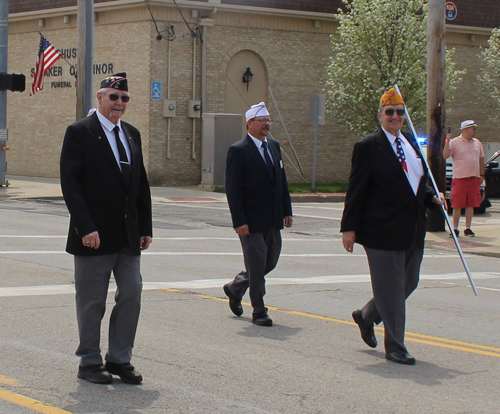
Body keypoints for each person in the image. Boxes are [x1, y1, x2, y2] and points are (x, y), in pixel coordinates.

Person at [340, 88, 445, 365]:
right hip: (381, 231)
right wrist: (348, 228)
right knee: (392, 290)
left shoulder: (410, 143)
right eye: (390, 112)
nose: (395, 116)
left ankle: (367, 315)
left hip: (412, 228)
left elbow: (415, 184)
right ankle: (396, 346)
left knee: (408, 283)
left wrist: (431, 196)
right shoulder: (368, 147)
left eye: (400, 111)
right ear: (381, 115)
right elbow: (356, 190)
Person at [60, 73, 153, 384]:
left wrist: (145, 227)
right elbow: (71, 185)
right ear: (99, 99)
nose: (119, 103)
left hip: (127, 236)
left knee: (132, 292)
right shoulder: (80, 132)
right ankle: (88, 362)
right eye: (113, 97)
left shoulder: (131, 134)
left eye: (124, 98)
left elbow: (140, 185)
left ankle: (119, 359)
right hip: (93, 237)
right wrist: (85, 227)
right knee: (92, 301)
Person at [223, 102, 293, 327]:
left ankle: (236, 287)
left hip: (272, 218)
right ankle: (259, 311)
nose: (267, 124)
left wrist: (287, 210)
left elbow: (281, 181)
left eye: (268, 120)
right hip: (250, 221)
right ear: (250, 123)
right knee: (256, 263)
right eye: (262, 120)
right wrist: (239, 221)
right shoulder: (238, 150)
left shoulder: (273, 146)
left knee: (269, 260)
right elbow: (233, 189)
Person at [443, 120, 485, 237]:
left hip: (474, 177)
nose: (475, 131)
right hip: (460, 178)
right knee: (457, 204)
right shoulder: (454, 142)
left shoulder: (477, 143)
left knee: (471, 203)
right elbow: (445, 155)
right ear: (467, 129)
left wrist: (482, 174)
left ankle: (468, 228)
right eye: (473, 129)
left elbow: (481, 159)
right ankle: (455, 228)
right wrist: (447, 141)